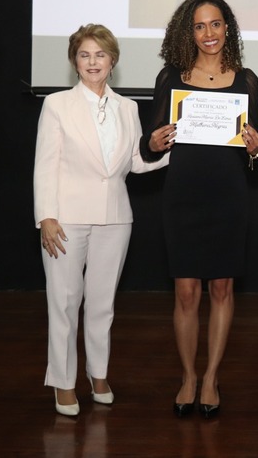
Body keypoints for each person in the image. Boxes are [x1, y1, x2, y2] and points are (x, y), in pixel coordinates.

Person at [140, 0, 258, 419]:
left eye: (215, 24)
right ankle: (188, 377)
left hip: (228, 196)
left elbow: (254, 151)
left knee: (222, 288)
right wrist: (153, 142)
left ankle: (211, 378)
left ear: (227, 27)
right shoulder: (171, 76)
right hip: (183, 196)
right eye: (199, 26)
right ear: (187, 31)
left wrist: (254, 148)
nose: (208, 33)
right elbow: (150, 140)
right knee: (187, 291)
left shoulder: (246, 79)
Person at [33, 24, 167, 416]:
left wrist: (171, 147)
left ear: (113, 61)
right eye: (85, 55)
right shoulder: (57, 104)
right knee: (64, 302)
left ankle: (98, 374)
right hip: (66, 219)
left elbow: (136, 164)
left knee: (103, 304)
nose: (93, 62)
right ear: (75, 61)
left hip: (115, 218)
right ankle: (62, 381)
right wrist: (46, 216)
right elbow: (45, 165)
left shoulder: (128, 108)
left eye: (100, 55)